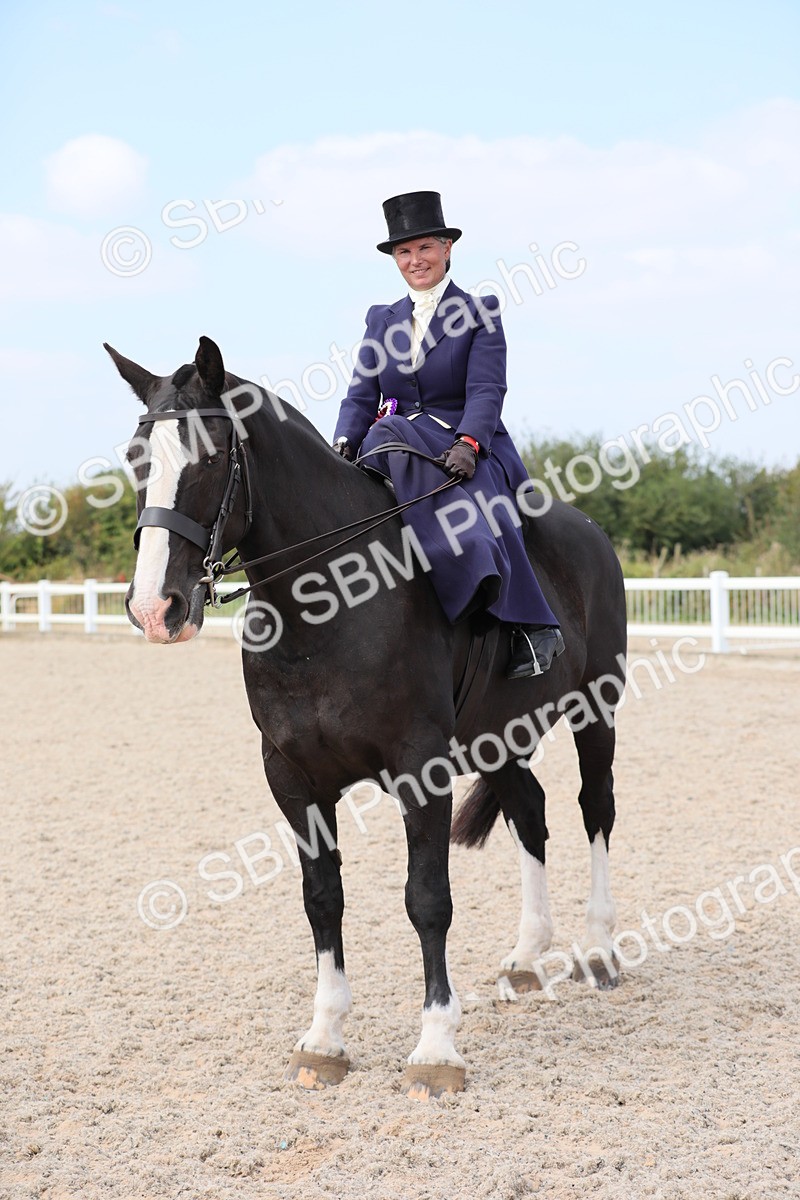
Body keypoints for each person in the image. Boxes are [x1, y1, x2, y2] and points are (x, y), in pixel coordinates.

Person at [332, 191, 564, 678]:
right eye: (404, 252)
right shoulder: (382, 319)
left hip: (462, 442)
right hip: (394, 444)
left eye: (424, 249)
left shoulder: (480, 311)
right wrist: (341, 446)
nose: (415, 261)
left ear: (447, 249)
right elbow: (359, 395)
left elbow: (486, 388)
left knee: (490, 507)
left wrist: (469, 442)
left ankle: (532, 626)